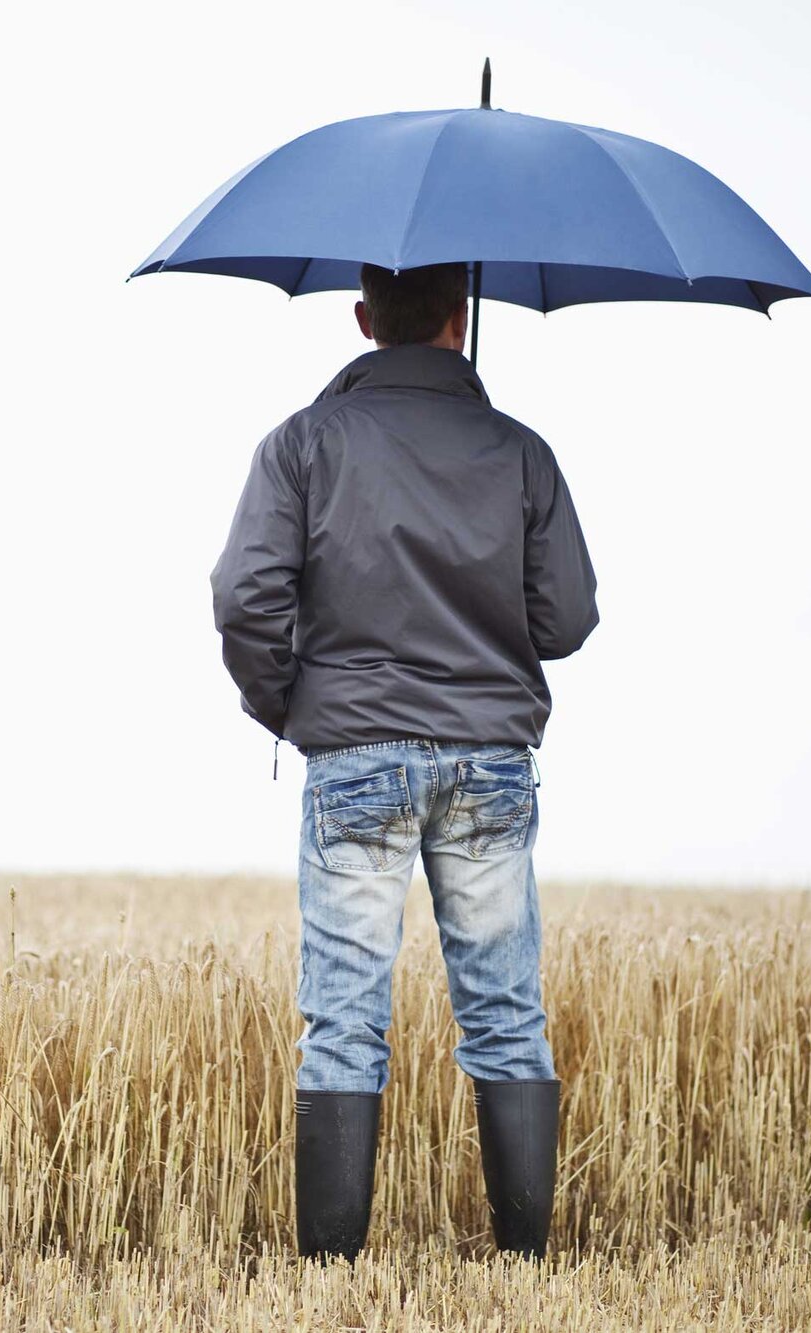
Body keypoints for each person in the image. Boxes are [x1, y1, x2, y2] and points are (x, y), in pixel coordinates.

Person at [208, 261, 599, 1263]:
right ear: (458, 320)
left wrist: (287, 704)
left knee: (341, 1018)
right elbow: (564, 619)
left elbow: (243, 596)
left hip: (353, 758)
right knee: (507, 1013)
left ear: (360, 317)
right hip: (491, 763)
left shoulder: (300, 444)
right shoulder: (520, 453)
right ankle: (524, 1268)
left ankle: (330, 1277)